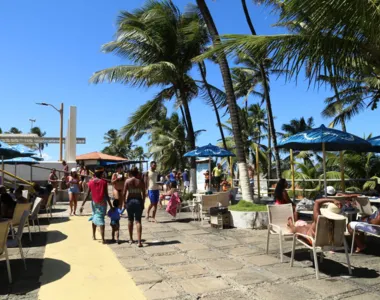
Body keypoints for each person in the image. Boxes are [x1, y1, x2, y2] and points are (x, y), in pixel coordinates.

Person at [81, 167, 112, 244]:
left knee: (94, 216)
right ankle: (102, 239)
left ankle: (94, 235)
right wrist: (111, 206)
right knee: (101, 219)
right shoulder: (104, 182)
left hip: (94, 203)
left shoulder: (90, 182)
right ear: (101, 173)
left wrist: (82, 204)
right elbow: (106, 195)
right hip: (102, 203)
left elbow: (87, 194)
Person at [123, 167, 145, 247]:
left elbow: (124, 193)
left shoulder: (128, 181)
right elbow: (144, 193)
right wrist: (143, 203)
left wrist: (124, 203)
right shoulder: (141, 182)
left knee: (130, 220)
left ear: (131, 173)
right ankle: (139, 242)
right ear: (137, 172)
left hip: (130, 201)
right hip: (138, 201)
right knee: (138, 221)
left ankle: (131, 239)